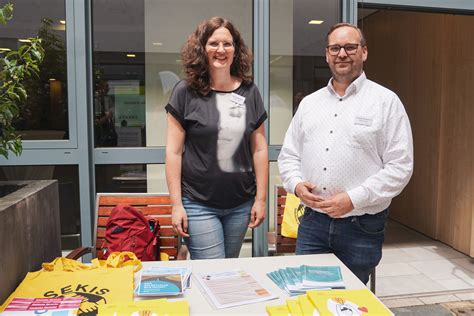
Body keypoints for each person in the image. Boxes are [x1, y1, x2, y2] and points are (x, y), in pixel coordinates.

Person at [278, 22, 413, 284]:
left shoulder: (386, 102)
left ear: (364, 52)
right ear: (327, 54)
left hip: (361, 226)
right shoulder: (309, 104)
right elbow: (289, 155)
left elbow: (400, 167)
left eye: (350, 47)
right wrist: (295, 185)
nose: (342, 54)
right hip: (313, 223)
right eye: (335, 48)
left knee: (349, 302)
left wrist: (353, 198)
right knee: (307, 293)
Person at [165, 16, 268, 260]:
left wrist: (260, 200)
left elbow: (260, 150)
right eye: (213, 43)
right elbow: (173, 152)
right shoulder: (185, 91)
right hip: (198, 203)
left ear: (236, 49)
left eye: (227, 44)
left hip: (241, 203)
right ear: (202, 48)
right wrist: (176, 205)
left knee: (227, 269)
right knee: (213, 272)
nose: (221, 50)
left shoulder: (250, 92)